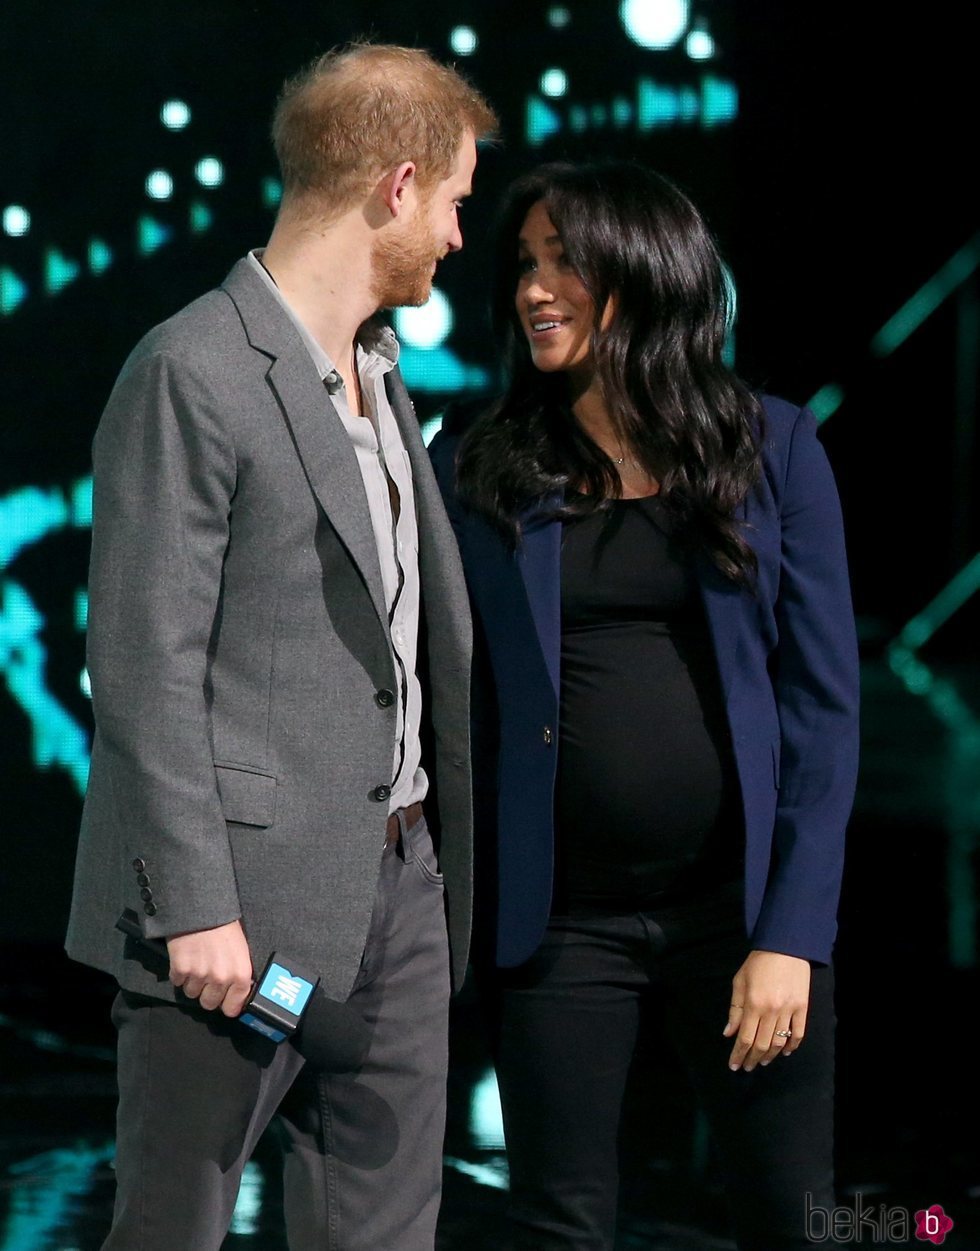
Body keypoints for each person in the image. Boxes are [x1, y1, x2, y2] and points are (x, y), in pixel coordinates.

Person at [65, 43, 496, 1251]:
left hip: (398, 891)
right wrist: (197, 906)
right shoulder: (193, 371)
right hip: (235, 919)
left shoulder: (377, 372)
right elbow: (142, 665)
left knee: (383, 1233)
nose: (460, 237)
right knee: (172, 1230)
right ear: (397, 186)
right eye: (457, 202)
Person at [429, 160, 859, 1251]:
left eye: (565, 259)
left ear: (648, 270)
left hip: (736, 917)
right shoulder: (478, 467)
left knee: (792, 1219)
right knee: (558, 1225)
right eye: (524, 263)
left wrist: (789, 937)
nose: (535, 287)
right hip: (559, 924)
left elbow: (820, 714)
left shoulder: (771, 450)